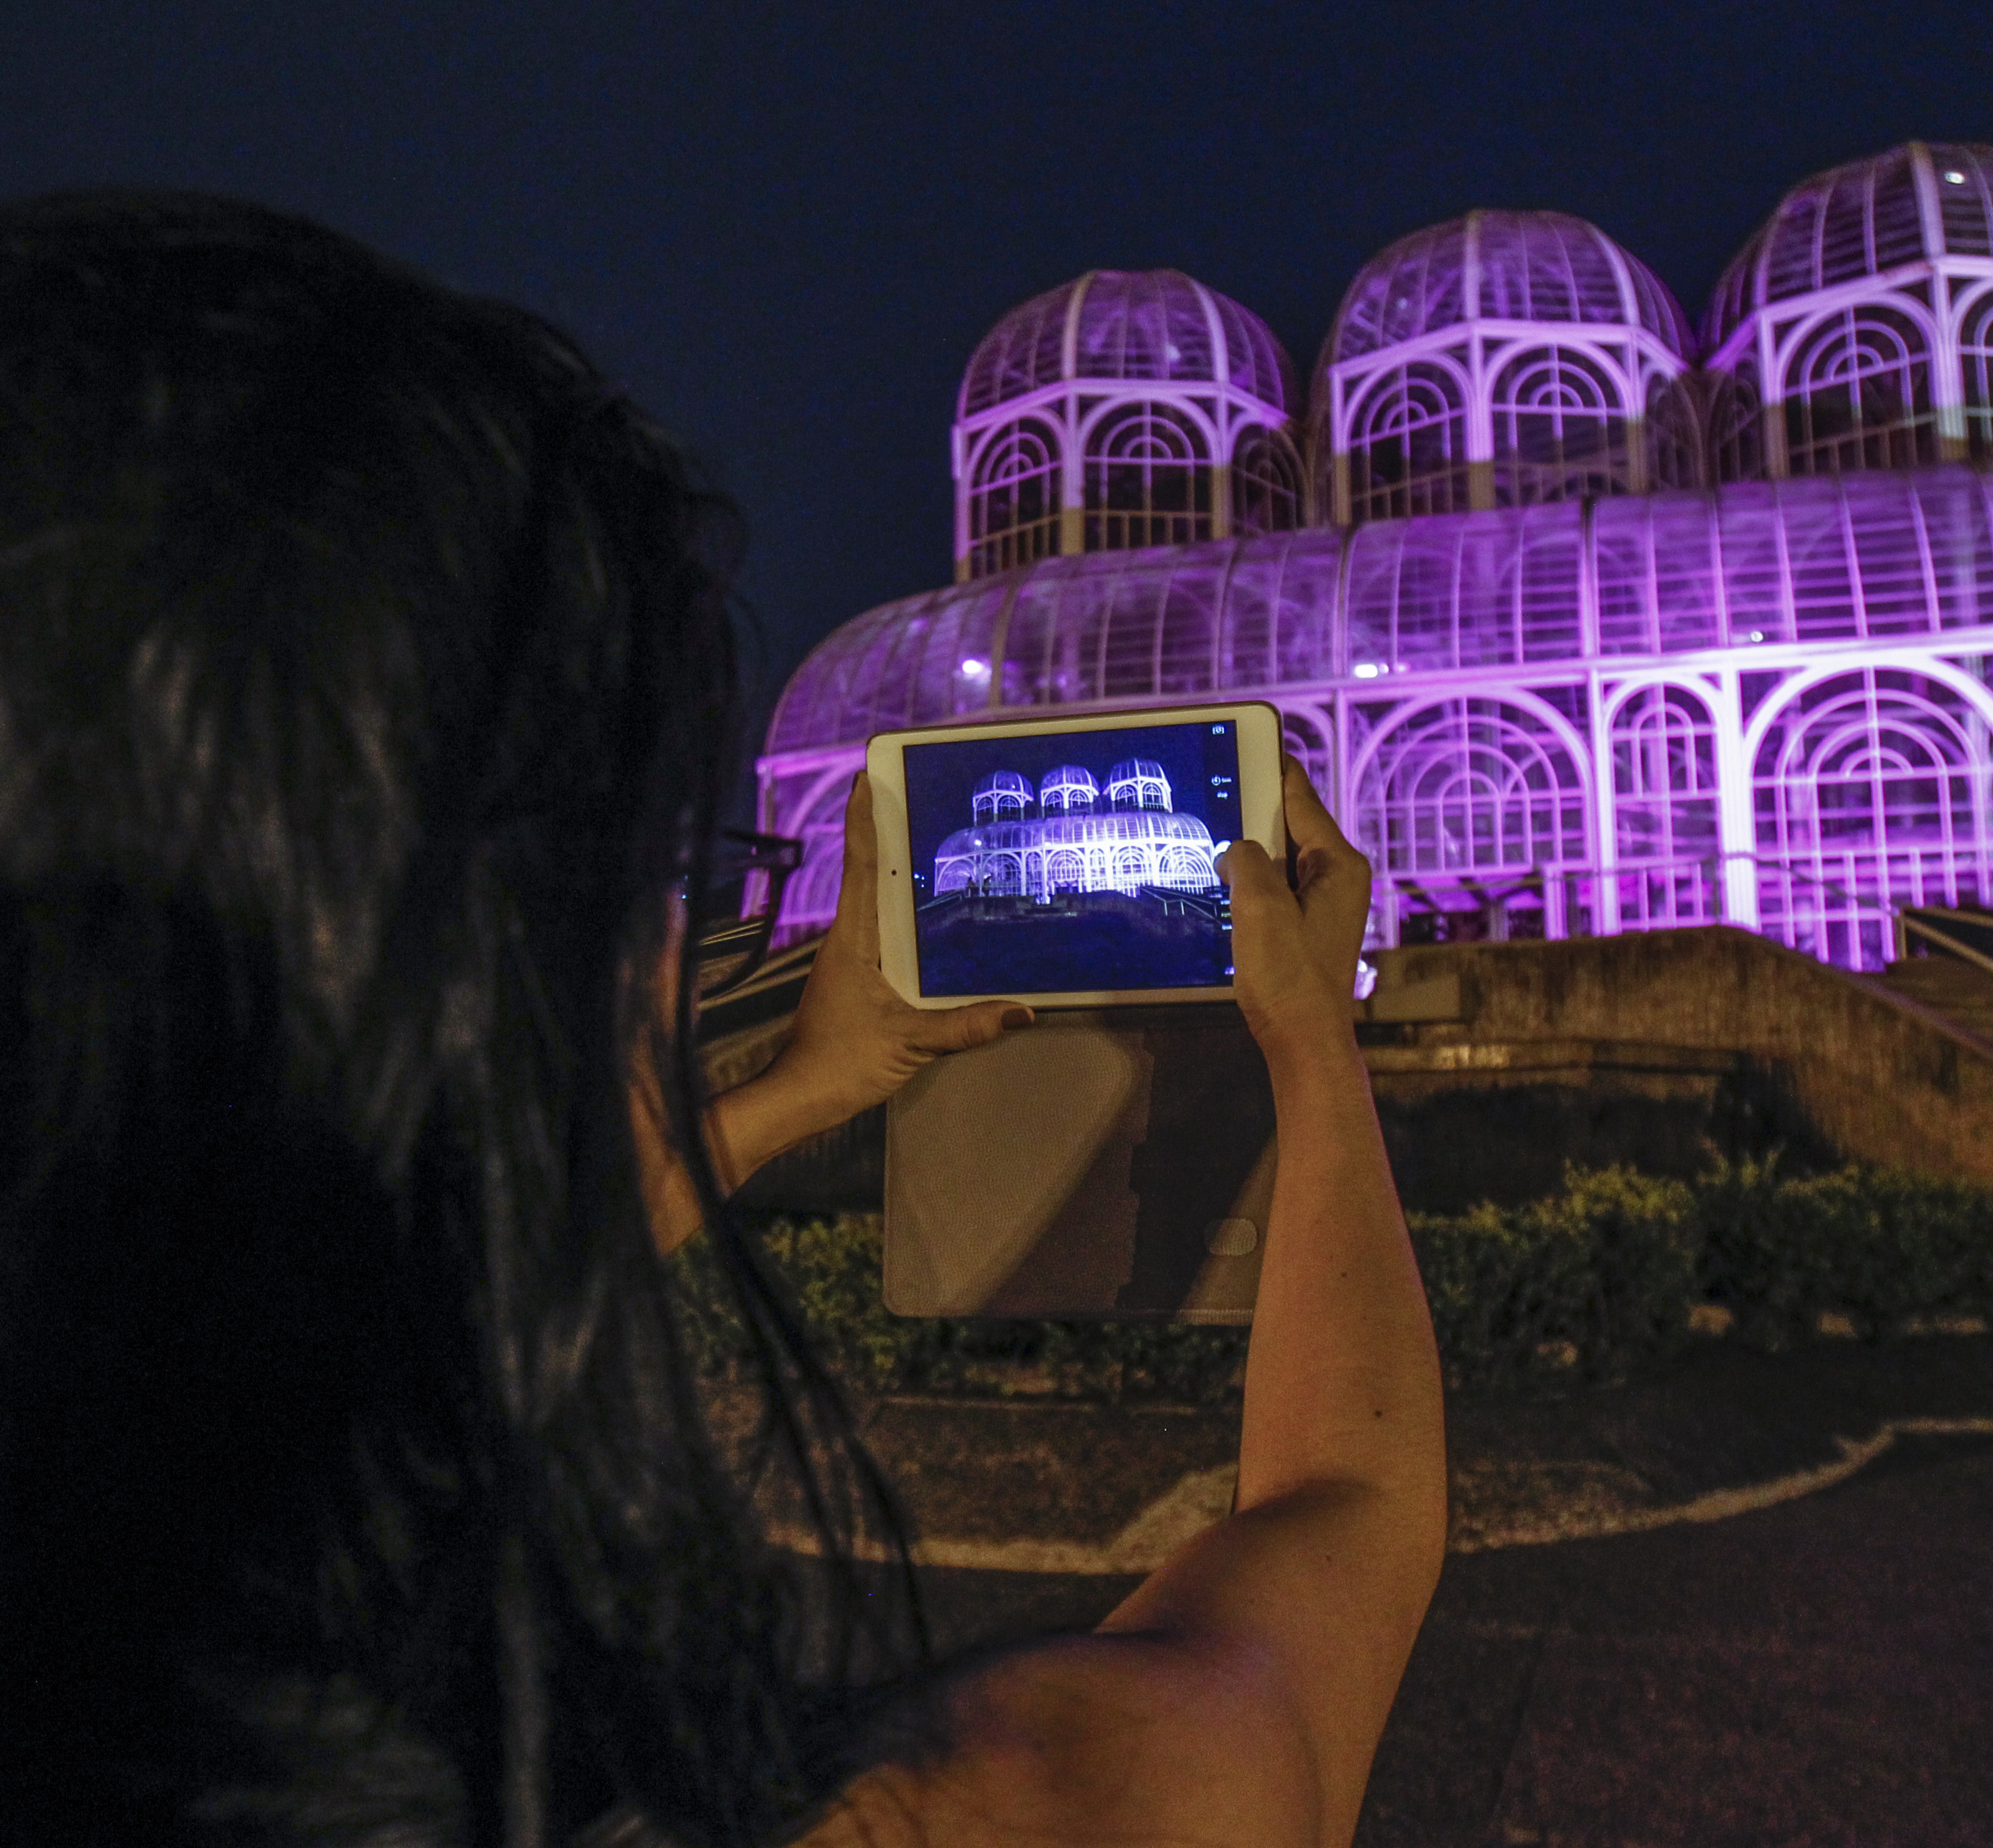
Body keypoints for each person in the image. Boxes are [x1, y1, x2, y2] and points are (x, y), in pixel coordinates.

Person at [0, 191, 1446, 1847]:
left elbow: (406, 1324)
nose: (680, 934)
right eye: (641, 865)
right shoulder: (927, 1812)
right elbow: (1350, 1517)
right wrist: (1313, 1049)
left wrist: (797, 1085)